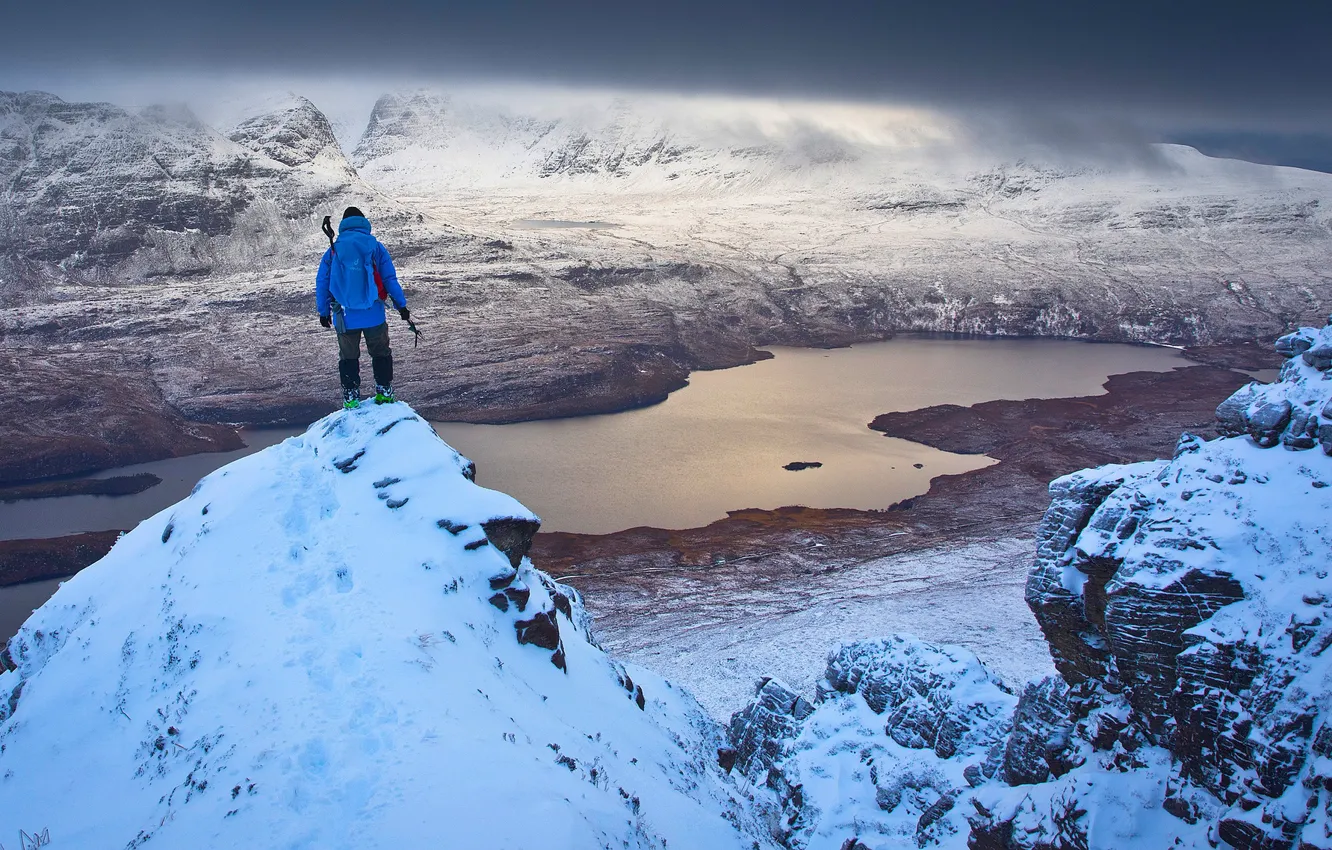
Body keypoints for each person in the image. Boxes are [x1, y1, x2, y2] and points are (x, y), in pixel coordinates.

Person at [315, 207, 411, 409]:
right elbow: (389, 279)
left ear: (343, 224)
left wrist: (324, 312)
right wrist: (401, 306)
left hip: (345, 315)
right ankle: (384, 392)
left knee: (348, 356)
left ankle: (351, 398)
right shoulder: (375, 247)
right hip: (374, 314)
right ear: (363, 222)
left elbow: (323, 281)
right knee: (380, 352)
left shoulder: (334, 249)